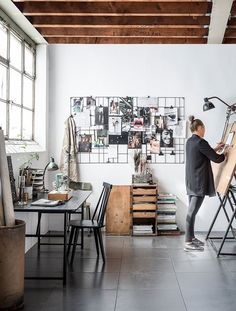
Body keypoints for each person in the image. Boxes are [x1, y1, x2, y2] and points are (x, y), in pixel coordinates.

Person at [184, 115, 227, 252]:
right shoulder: (201, 142)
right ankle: (187, 242)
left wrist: (215, 148)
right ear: (200, 128)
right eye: (204, 128)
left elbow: (204, 153)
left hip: (191, 181)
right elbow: (217, 159)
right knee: (191, 212)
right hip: (199, 182)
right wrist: (226, 152)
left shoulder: (191, 141)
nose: (205, 131)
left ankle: (191, 238)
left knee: (192, 212)